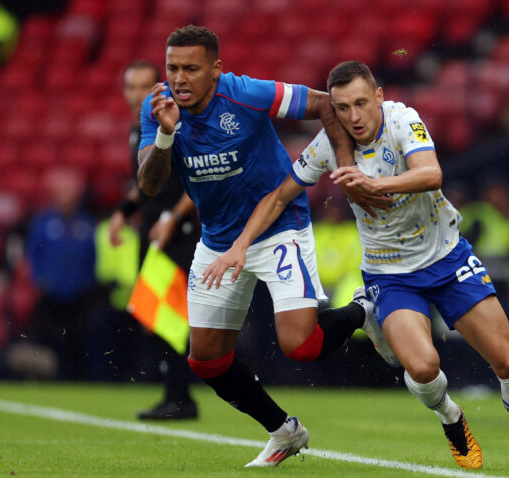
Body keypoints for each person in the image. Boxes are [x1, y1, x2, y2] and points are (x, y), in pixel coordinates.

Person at [204, 61, 509, 470]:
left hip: (447, 259)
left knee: (507, 362)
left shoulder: (402, 120)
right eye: (342, 108)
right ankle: (451, 417)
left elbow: (431, 174)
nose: (354, 116)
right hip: (390, 275)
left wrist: (373, 185)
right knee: (422, 365)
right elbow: (278, 196)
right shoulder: (329, 145)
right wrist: (239, 245)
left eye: (362, 103)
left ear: (379, 96)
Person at [137, 25, 391, 467]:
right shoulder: (158, 107)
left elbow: (322, 103)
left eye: (191, 69)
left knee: (302, 346)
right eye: (173, 67)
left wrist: (348, 169)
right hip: (218, 241)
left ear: (216, 70)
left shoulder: (247, 94)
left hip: (278, 227)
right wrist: (164, 136)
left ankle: (362, 311)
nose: (179, 78)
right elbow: (148, 182)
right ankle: (284, 431)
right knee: (206, 361)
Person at [108, 60, 200, 420]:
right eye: (130, 87)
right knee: (156, 318)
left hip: (176, 233)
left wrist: (172, 218)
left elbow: (197, 180)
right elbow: (144, 181)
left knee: (169, 318)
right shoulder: (139, 129)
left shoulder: (173, 126)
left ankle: (180, 397)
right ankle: (175, 394)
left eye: (144, 87)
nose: (136, 95)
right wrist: (123, 210)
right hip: (153, 229)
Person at [25, 167, 96, 380]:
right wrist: (39, 280)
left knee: (77, 341)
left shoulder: (87, 224)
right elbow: (33, 255)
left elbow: (92, 258)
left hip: (78, 298)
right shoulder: (43, 223)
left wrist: (88, 284)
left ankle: (76, 380)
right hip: (50, 296)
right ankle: (46, 379)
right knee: (48, 341)